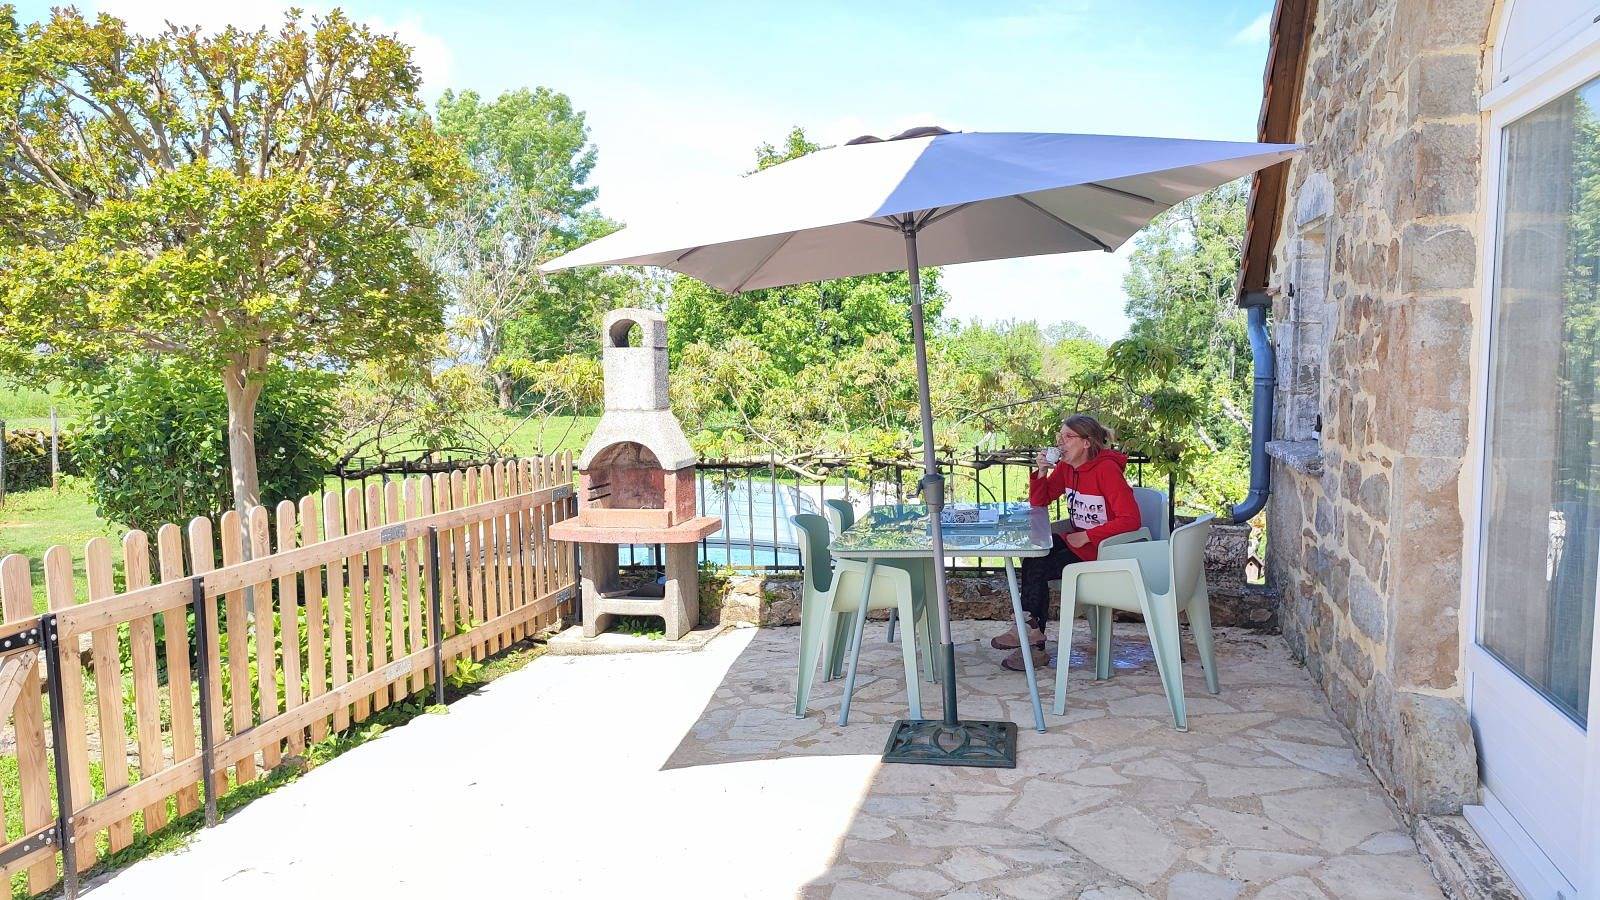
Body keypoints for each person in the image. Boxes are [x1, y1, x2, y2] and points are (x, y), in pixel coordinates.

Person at [995, 414, 1141, 672]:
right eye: (1059, 437)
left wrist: (1087, 535)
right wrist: (1040, 472)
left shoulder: (1106, 470)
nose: (1060, 442)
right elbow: (1041, 501)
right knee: (1034, 554)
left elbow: (1131, 520)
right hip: (1079, 544)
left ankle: (1031, 639)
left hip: (1104, 549)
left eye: (1067, 437)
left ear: (1087, 442)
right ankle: (1031, 632)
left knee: (1039, 563)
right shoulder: (1067, 468)